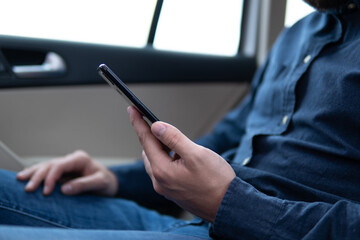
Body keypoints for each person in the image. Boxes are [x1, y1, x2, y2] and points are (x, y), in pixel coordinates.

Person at [1, 0, 360, 239]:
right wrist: (116, 179)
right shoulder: (296, 36)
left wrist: (232, 204)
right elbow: (227, 139)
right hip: (194, 223)